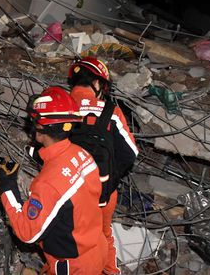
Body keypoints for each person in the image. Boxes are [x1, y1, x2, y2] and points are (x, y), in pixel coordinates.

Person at [0, 86, 107, 274]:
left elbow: (27, 233)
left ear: (40, 129)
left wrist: (7, 186)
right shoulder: (83, 155)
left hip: (73, 266)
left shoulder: (48, 184)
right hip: (95, 248)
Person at [68, 57, 139, 275]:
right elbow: (130, 153)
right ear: (98, 84)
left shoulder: (60, 105)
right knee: (103, 234)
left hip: (65, 190)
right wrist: (109, 179)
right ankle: (109, 271)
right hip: (102, 192)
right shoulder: (111, 111)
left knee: (67, 236)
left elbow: (37, 148)